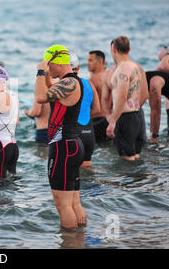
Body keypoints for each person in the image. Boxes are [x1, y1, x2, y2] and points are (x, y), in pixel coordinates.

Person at [34, 45, 86, 229]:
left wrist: (40, 71)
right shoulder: (70, 82)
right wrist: (46, 74)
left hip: (63, 147)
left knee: (62, 204)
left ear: (57, 62)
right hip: (71, 145)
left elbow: (40, 96)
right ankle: (80, 238)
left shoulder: (69, 83)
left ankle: (70, 242)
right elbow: (48, 87)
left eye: (50, 65)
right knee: (74, 203)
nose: (48, 69)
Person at [105, 36, 148, 161]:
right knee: (135, 157)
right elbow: (144, 94)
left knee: (126, 160)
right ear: (129, 49)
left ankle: (129, 181)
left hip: (125, 118)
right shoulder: (135, 67)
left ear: (113, 48)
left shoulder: (123, 68)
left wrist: (112, 121)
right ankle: (139, 181)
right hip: (137, 115)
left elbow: (122, 96)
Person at [70, 53, 101, 167]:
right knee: (87, 168)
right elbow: (97, 110)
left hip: (74, 133)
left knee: (72, 172)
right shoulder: (89, 84)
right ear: (78, 68)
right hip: (89, 133)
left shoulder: (65, 85)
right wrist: (84, 114)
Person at [87, 50, 110, 143]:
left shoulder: (92, 80)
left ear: (100, 62)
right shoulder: (109, 76)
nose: (88, 63)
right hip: (109, 120)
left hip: (96, 121)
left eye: (90, 60)